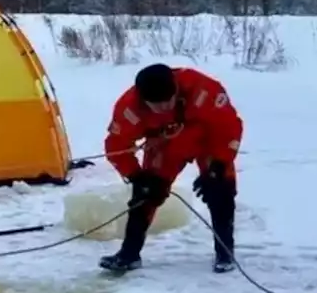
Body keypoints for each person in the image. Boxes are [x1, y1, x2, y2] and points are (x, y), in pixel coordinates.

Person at [100, 63, 244, 273]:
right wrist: (136, 176)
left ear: (176, 88)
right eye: (156, 105)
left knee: (220, 190)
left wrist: (219, 164)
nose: (164, 107)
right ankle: (129, 254)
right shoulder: (129, 108)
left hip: (208, 140)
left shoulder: (203, 89)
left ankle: (225, 255)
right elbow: (116, 146)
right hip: (166, 145)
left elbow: (229, 126)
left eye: (169, 100)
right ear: (143, 99)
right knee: (145, 195)